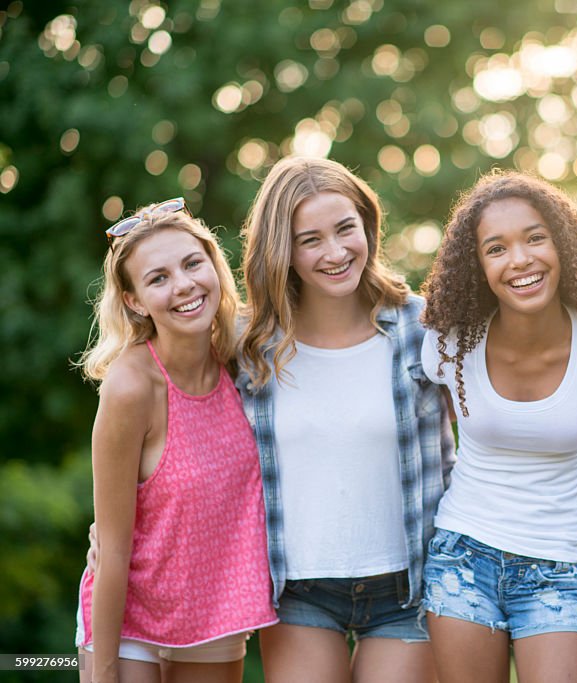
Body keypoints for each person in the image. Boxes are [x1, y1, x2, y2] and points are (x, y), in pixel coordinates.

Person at [418, 170, 577, 682]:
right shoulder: (450, 342)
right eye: (496, 248)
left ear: (563, 244)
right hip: (462, 553)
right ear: (478, 265)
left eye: (535, 238)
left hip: (557, 563)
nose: (520, 259)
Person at [235, 157, 454, 683]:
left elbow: (491, 431)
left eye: (345, 229)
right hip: (299, 593)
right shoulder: (247, 346)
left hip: (410, 588)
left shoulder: (421, 328)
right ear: (281, 251)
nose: (334, 253)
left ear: (367, 227)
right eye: (309, 240)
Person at [76, 199, 277, 683]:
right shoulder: (131, 388)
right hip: (129, 619)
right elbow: (113, 548)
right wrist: (103, 672)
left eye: (192, 263)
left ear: (213, 264)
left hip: (213, 613)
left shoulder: (244, 357)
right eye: (158, 278)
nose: (184, 285)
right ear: (134, 300)